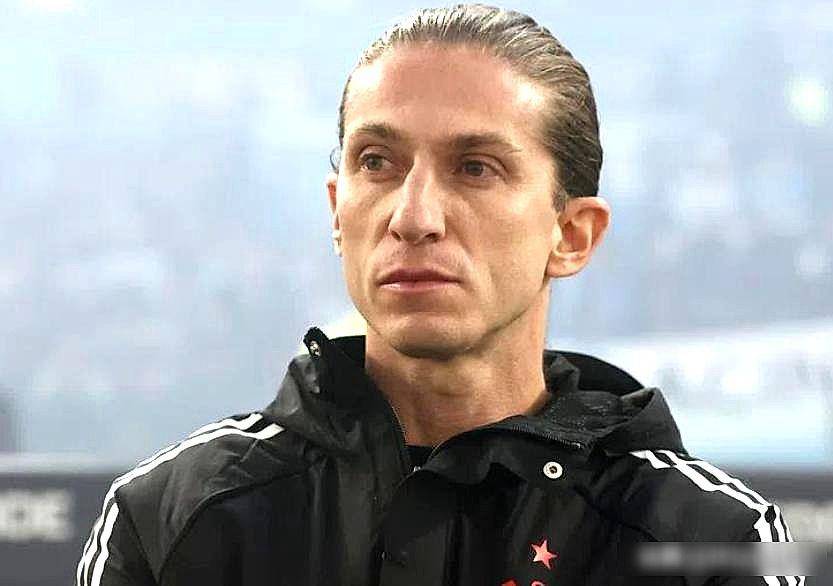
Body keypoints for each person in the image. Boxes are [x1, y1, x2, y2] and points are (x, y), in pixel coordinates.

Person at [76, 4, 802, 585]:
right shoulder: (170, 514)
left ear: (572, 235)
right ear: (337, 212)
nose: (413, 215)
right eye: (376, 162)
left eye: (475, 167)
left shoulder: (718, 540)